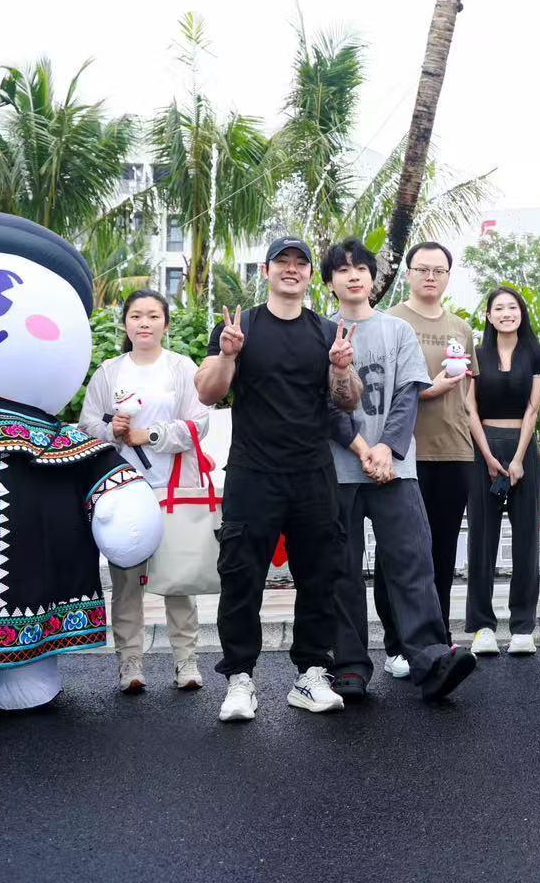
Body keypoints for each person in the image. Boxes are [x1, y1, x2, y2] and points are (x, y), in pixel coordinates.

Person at [197, 237, 362, 722]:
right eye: (282, 262)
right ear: (266, 270)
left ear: (311, 275)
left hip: (312, 472)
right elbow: (208, 393)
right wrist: (228, 355)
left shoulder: (327, 331)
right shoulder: (238, 326)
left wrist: (340, 369)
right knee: (242, 576)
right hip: (253, 471)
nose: (291, 270)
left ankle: (311, 673)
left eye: (300, 263)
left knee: (320, 575)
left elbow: (347, 401)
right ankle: (239, 680)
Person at [321, 239, 478, 702]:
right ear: (330, 283)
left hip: (395, 469)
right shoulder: (320, 333)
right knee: (342, 570)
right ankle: (350, 664)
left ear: (374, 277)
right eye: (342, 270)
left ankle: (431, 659)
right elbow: (323, 406)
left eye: (361, 269)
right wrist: (364, 448)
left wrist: (387, 448)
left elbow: (409, 395)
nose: (353, 276)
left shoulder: (396, 331)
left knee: (413, 561)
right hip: (339, 470)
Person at [78, 288, 215, 693]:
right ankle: (130, 663)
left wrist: (149, 434)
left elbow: (198, 424)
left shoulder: (181, 367)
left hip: (174, 489)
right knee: (125, 581)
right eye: (136, 315)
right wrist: (112, 432)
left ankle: (186, 662)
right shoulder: (109, 372)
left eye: (153, 316)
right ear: (125, 323)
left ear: (165, 324)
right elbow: (88, 427)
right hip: (125, 493)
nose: (144, 323)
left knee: (178, 580)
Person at [389, 242, 480, 656]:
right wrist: (429, 389)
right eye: (422, 269)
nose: (430, 276)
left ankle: (438, 638)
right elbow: (387, 389)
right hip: (405, 452)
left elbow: (469, 396)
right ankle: (397, 645)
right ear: (408, 273)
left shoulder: (460, 327)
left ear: (447, 276)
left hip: (454, 451)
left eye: (439, 270)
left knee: (443, 550)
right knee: (404, 553)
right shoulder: (390, 321)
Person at [465, 285, 540, 655]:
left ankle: (522, 626)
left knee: (526, 541)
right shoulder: (476, 354)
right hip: (482, 451)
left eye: (512, 307)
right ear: (488, 316)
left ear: (521, 313)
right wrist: (488, 456)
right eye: (498, 308)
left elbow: (532, 411)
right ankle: (482, 626)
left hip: (522, 453)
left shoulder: (536, 355)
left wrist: (516, 459)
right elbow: (469, 409)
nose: (505, 313)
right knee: (480, 540)